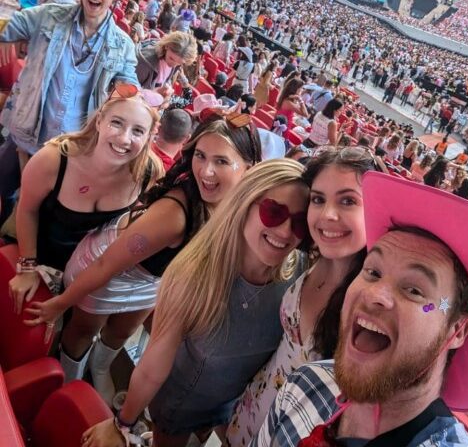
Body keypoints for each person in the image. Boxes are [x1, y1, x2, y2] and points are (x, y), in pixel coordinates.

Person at [26, 113, 262, 398]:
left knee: (121, 333)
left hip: (151, 279)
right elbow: (106, 263)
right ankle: (68, 385)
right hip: (107, 271)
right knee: (83, 331)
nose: (206, 171)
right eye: (200, 156)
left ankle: (99, 370)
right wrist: (61, 303)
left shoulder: (236, 208)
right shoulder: (174, 214)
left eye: (221, 161)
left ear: (249, 168)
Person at [253, 172, 468, 446]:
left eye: (414, 290)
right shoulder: (305, 384)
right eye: (372, 272)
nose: (374, 294)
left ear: (458, 329)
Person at [81, 158, 309, 446]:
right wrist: (122, 423)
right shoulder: (195, 274)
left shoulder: (299, 272)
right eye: (274, 212)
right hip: (180, 404)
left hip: (233, 405)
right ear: (245, 204)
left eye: (299, 222)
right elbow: (153, 364)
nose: (286, 232)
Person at [227, 147, 376, 446]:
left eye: (348, 201)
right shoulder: (308, 259)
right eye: (318, 199)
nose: (327, 214)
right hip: (250, 409)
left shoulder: (372, 307)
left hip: (293, 434)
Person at [0, 0, 138, 225]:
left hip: (71, 152)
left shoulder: (123, 45)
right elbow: (10, 25)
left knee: (37, 216)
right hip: (26, 134)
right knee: (3, 190)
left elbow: (128, 84)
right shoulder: (50, 16)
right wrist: (5, 36)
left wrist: (128, 96)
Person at [9, 87, 164, 313]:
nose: (124, 138)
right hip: (35, 254)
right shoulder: (54, 159)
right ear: (99, 121)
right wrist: (27, 268)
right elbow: (27, 210)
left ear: (149, 136)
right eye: (117, 123)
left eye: (138, 131)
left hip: (87, 277)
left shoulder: (148, 173)